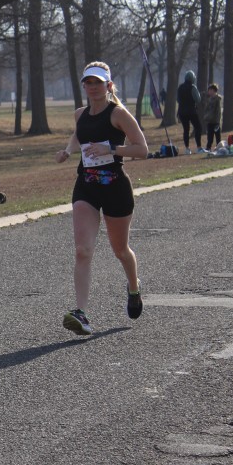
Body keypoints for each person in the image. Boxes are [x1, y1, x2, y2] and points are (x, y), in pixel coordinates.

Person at [55, 61, 149, 335]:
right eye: (89, 82)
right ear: (84, 86)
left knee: (120, 250)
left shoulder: (118, 114)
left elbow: (142, 149)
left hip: (115, 186)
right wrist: (68, 151)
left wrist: (110, 148)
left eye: (98, 82)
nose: (93, 87)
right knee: (82, 250)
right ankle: (81, 313)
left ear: (108, 85)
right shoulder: (80, 114)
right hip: (86, 185)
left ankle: (134, 287)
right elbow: (78, 135)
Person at [176, 71, 203, 154]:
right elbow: (198, 99)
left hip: (181, 112)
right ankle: (199, 147)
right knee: (198, 127)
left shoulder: (180, 87)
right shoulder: (193, 87)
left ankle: (187, 149)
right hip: (191, 111)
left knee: (186, 130)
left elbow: (178, 99)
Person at [202, 83, 223, 151]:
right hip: (210, 121)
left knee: (217, 136)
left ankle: (219, 147)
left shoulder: (217, 100)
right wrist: (206, 117)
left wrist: (217, 122)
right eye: (209, 90)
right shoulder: (209, 100)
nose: (209, 92)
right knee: (209, 136)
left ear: (214, 91)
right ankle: (208, 147)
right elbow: (207, 110)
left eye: (210, 90)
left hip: (215, 121)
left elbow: (218, 112)